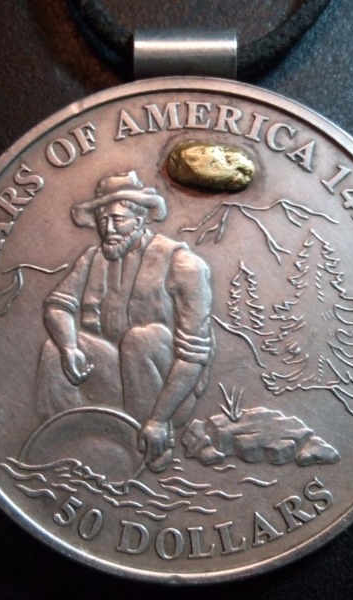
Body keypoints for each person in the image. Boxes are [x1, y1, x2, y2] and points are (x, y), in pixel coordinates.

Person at [36, 171, 213, 471]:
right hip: (115, 373)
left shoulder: (183, 264)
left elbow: (194, 356)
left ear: (140, 218)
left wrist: (159, 419)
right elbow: (57, 305)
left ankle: (149, 444)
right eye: (103, 221)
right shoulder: (93, 258)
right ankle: (64, 440)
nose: (108, 230)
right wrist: (69, 347)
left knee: (141, 339)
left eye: (118, 220)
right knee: (54, 349)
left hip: (169, 389)